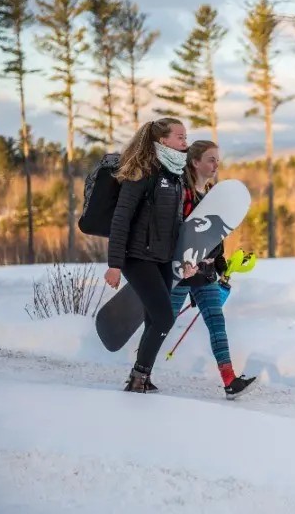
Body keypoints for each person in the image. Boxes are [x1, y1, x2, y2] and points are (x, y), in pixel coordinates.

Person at [103, 117, 198, 393]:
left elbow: (177, 224)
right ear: (163, 141)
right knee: (165, 318)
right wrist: (115, 265)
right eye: (180, 137)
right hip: (137, 257)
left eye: (185, 136)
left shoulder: (176, 175)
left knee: (152, 319)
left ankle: (143, 375)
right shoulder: (142, 172)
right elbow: (121, 219)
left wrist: (185, 257)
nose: (185, 142)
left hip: (163, 258)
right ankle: (138, 377)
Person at [164, 139, 256, 399]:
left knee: (217, 322)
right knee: (163, 322)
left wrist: (218, 262)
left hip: (205, 273)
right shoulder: (181, 193)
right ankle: (141, 373)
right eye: (211, 159)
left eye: (218, 159)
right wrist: (182, 262)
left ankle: (230, 381)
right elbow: (176, 233)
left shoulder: (213, 193)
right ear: (195, 162)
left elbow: (215, 233)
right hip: (181, 272)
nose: (216, 164)